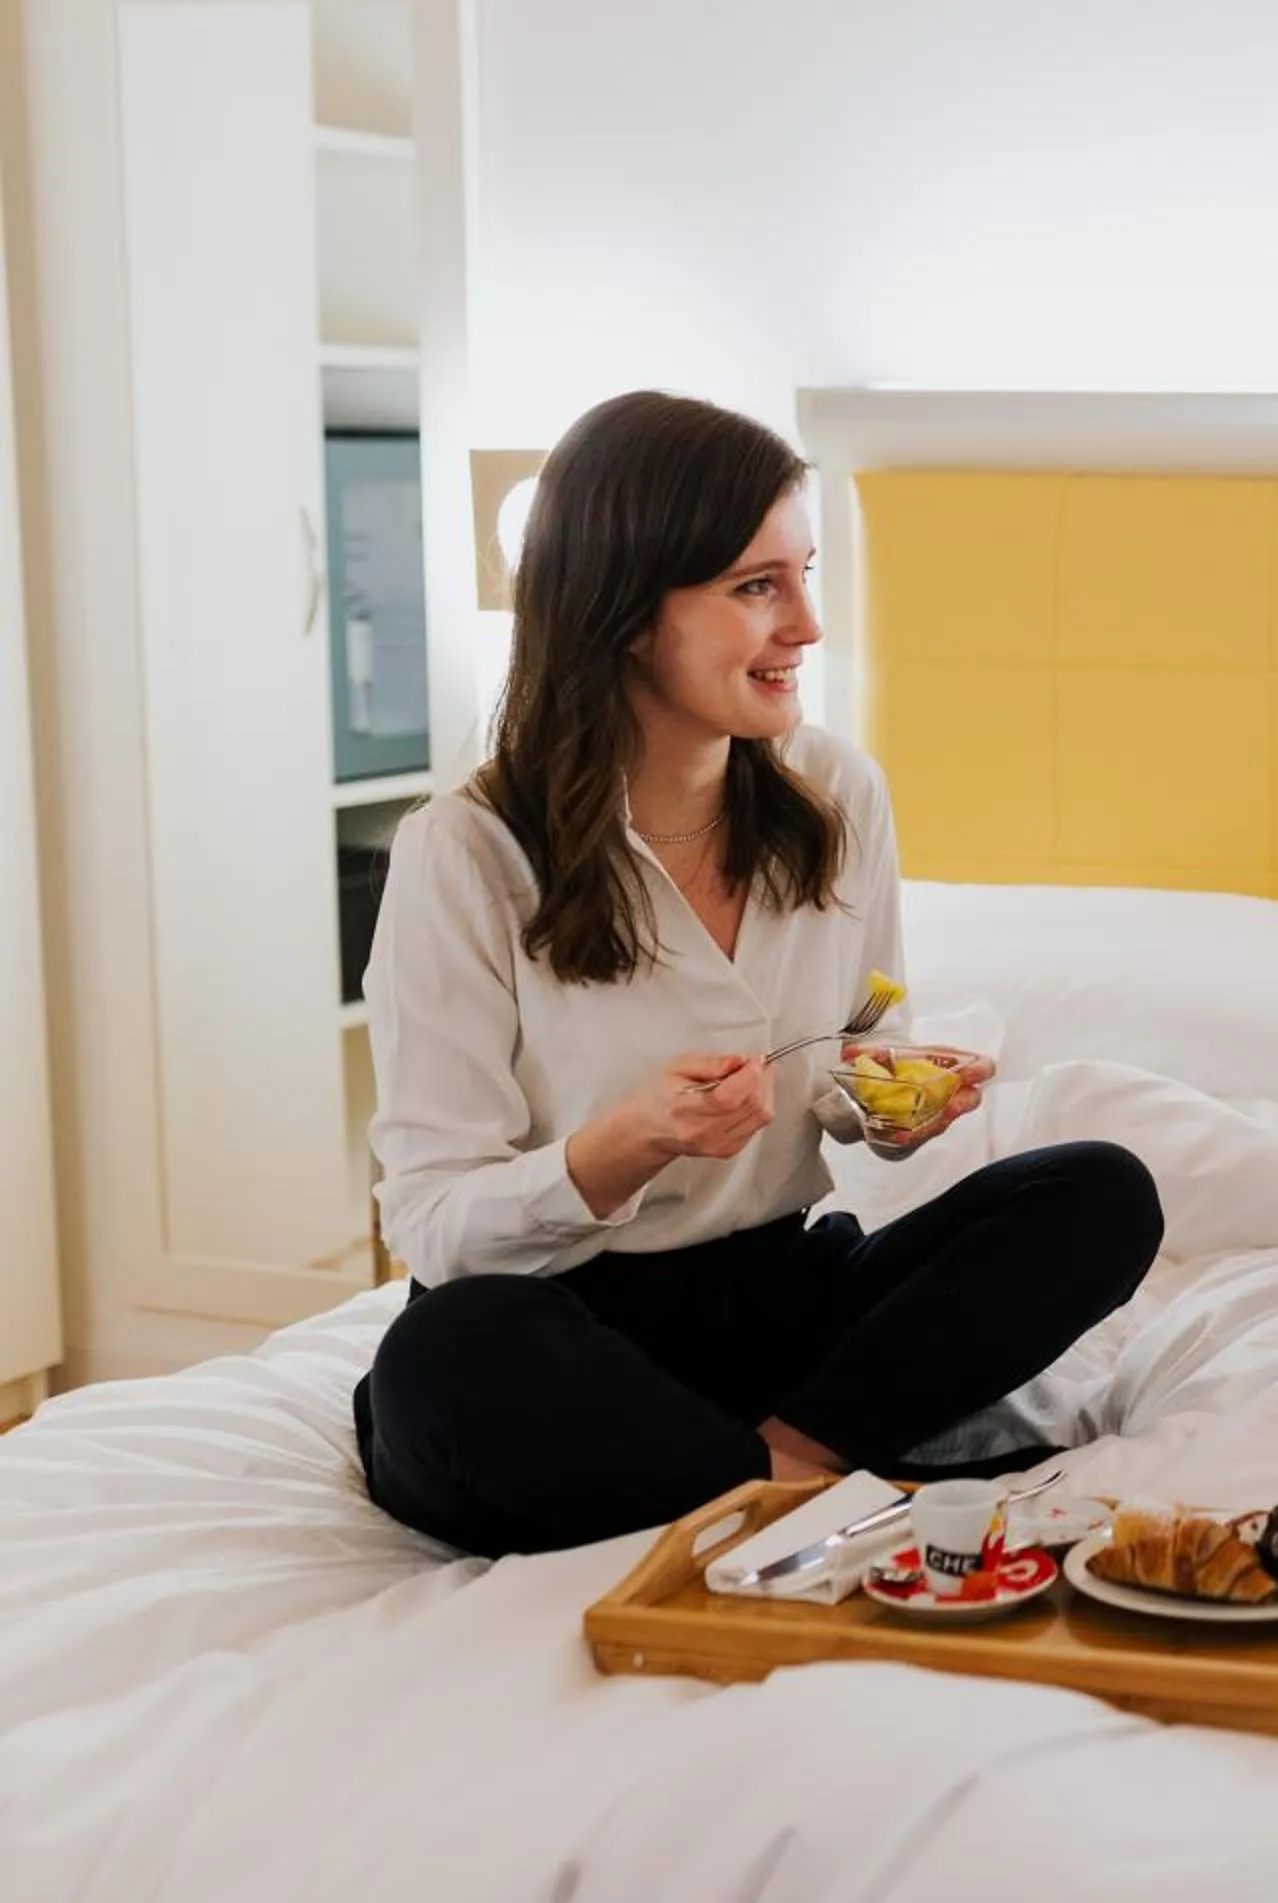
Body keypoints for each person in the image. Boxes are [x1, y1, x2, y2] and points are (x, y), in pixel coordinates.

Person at [352, 391, 1162, 1559]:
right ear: (628, 612)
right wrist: (623, 1142)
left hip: (777, 1315)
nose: (808, 625)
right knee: (444, 1360)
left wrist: (884, 1095)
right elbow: (433, 1226)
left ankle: (769, 1473)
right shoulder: (466, 853)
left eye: (805, 573)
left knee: (1099, 1190)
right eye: (756, 586)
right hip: (563, 1320)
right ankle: (813, 1489)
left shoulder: (837, 793)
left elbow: (863, 1023)